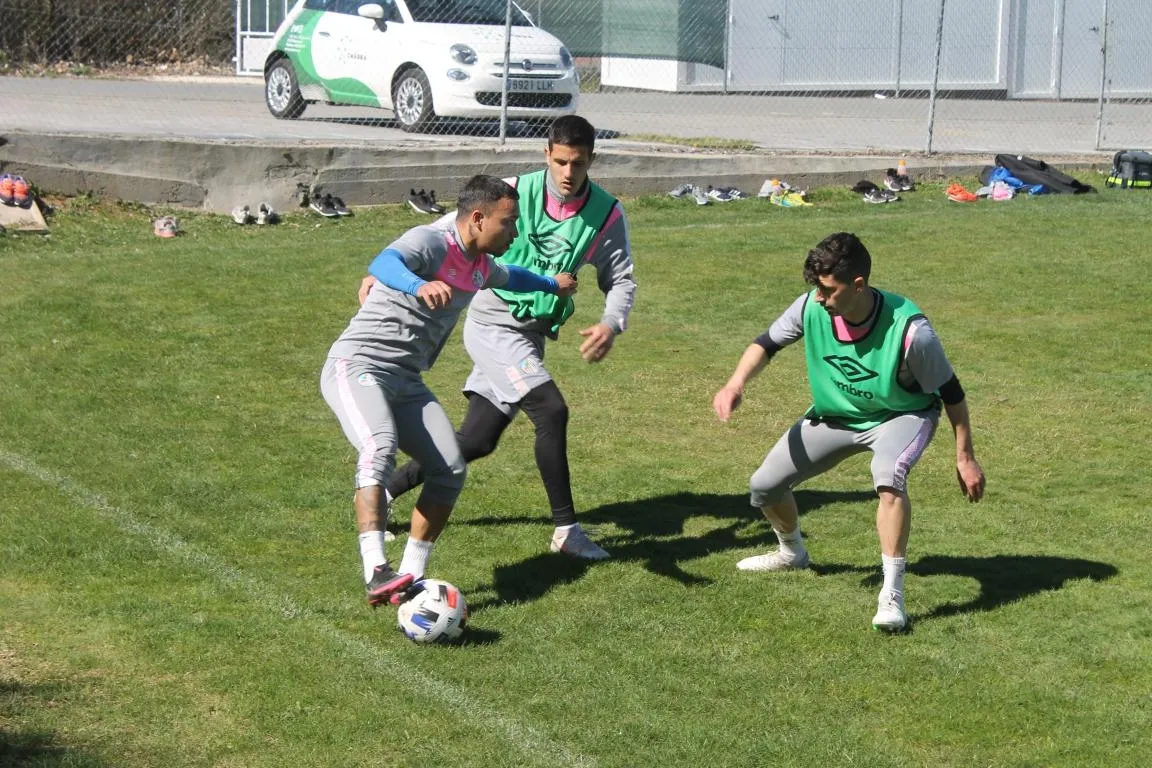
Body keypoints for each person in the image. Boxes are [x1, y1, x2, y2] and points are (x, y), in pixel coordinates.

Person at [360, 115, 637, 560]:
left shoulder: (606, 213)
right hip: (494, 325)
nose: (568, 173)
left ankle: (388, 491)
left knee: (477, 440)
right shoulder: (512, 192)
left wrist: (611, 322)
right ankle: (566, 531)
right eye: (561, 161)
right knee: (551, 410)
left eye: (579, 163)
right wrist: (391, 270)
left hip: (531, 335)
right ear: (547, 154)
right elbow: (448, 230)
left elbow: (621, 278)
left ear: (592, 160)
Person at [322, 174, 577, 607]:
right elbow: (385, 262)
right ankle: (376, 570)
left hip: (407, 380)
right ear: (478, 219)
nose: (514, 232)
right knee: (379, 446)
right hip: (358, 365)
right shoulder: (431, 242)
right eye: (508, 222)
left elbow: (512, 277)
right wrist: (418, 284)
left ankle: (410, 577)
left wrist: (552, 284)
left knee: (450, 468)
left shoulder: (479, 265)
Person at [712, 232, 985, 632]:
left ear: (858, 285)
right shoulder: (810, 307)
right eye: (816, 289)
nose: (819, 299)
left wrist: (965, 457)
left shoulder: (911, 331)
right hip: (836, 417)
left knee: (888, 478)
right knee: (764, 486)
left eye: (828, 290)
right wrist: (735, 384)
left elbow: (952, 394)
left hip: (899, 416)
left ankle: (892, 595)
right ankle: (791, 553)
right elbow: (766, 344)